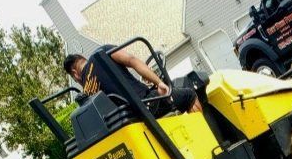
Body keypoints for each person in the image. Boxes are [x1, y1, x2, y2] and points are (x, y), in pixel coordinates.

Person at [63, 46, 203, 114]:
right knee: (189, 95)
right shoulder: (101, 54)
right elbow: (132, 60)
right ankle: (205, 144)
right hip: (148, 105)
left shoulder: (87, 95)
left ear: (75, 74)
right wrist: (159, 82)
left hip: (132, 118)